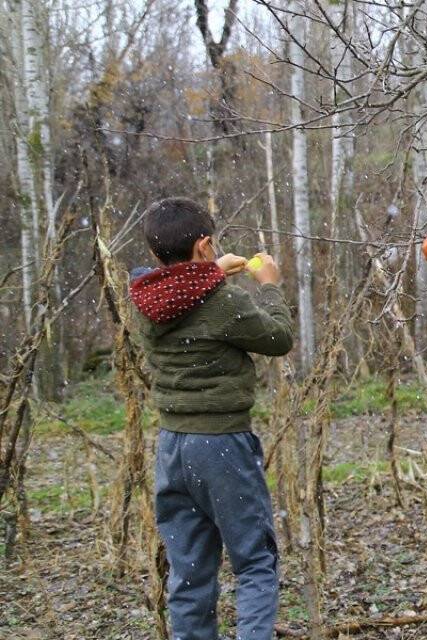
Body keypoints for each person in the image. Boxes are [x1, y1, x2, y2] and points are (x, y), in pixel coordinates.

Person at [127, 197, 293, 640]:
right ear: (203, 244)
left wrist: (212, 269)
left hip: (172, 448)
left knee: (190, 573)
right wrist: (270, 286)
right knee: (255, 563)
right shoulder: (222, 303)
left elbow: (179, 294)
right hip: (221, 446)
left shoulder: (145, 301)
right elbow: (278, 338)